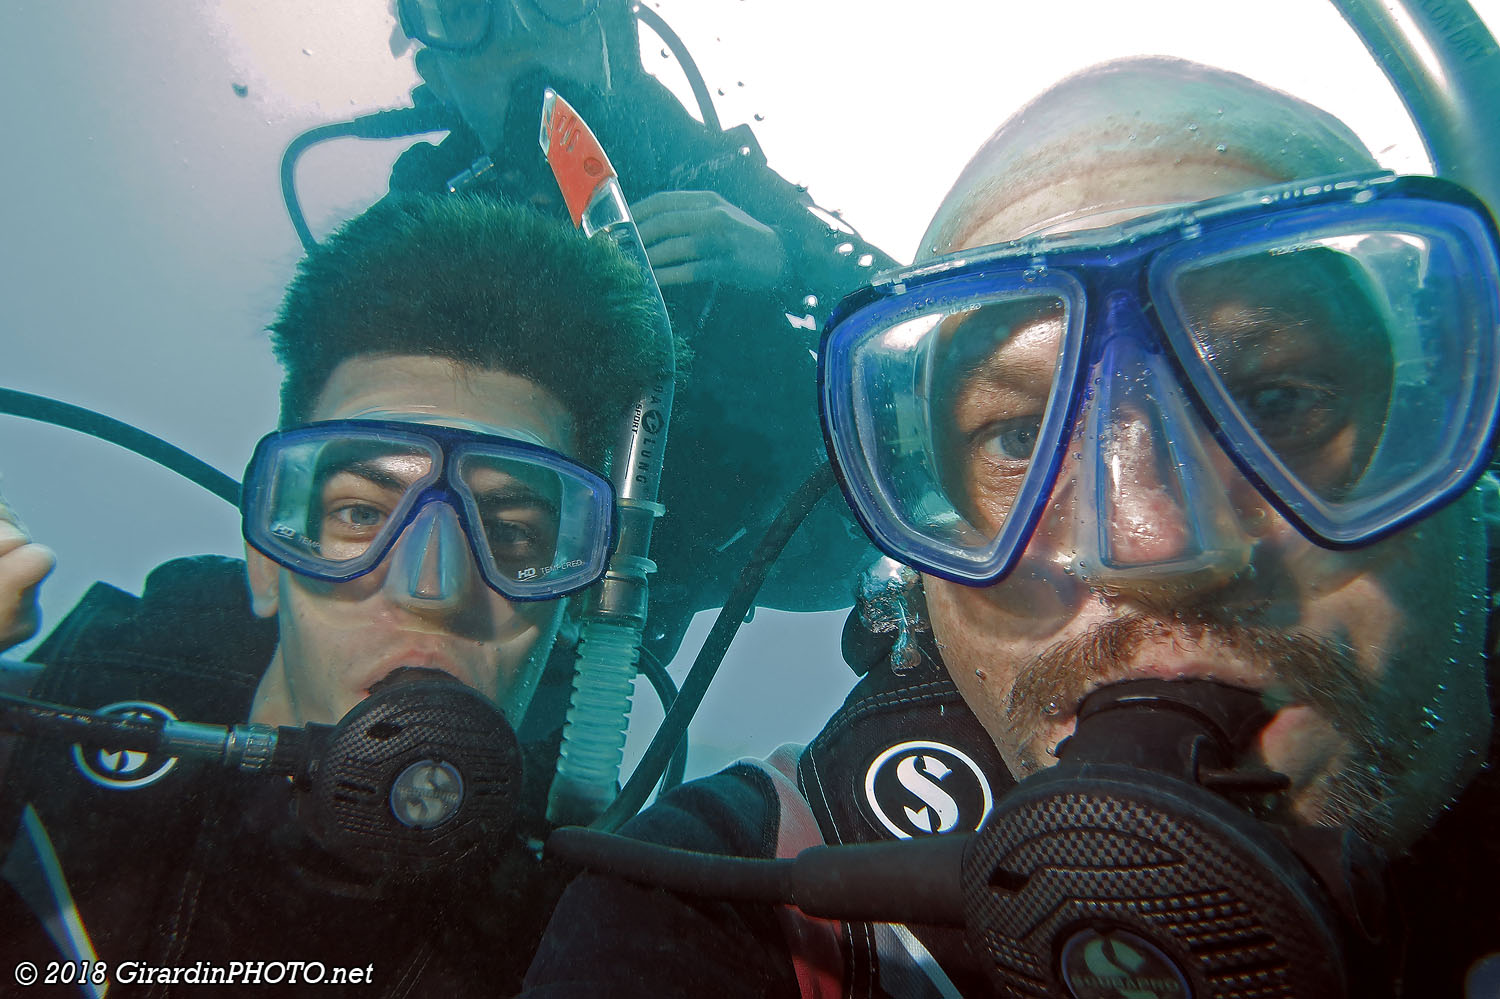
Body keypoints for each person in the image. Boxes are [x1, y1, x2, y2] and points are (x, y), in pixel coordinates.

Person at [518, 57, 1500, 997]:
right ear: (918, 567)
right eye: (1019, 434)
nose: (1155, 545)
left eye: (1278, 398)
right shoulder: (727, 906)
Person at [0, 193, 673, 994]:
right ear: (264, 559)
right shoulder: (39, 736)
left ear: (570, 608)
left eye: (516, 533)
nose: (432, 585)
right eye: (360, 512)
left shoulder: (582, 936)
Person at [384, 0, 894, 662]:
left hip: (797, 516)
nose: (522, 36)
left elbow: (900, 294)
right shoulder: (420, 222)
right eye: (462, 10)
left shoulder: (693, 156)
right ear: (438, 73)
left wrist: (780, 253)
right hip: (570, 588)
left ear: (607, 29)